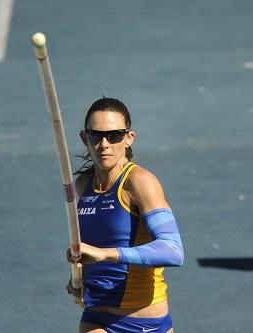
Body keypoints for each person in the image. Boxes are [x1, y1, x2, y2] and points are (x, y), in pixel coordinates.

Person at [66, 97, 184, 333]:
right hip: (96, 317)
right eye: (95, 135)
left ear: (129, 138)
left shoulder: (140, 182)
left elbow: (173, 251)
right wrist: (79, 277)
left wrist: (105, 255)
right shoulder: (83, 185)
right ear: (84, 137)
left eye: (114, 135)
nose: (104, 144)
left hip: (147, 323)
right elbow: (95, 244)